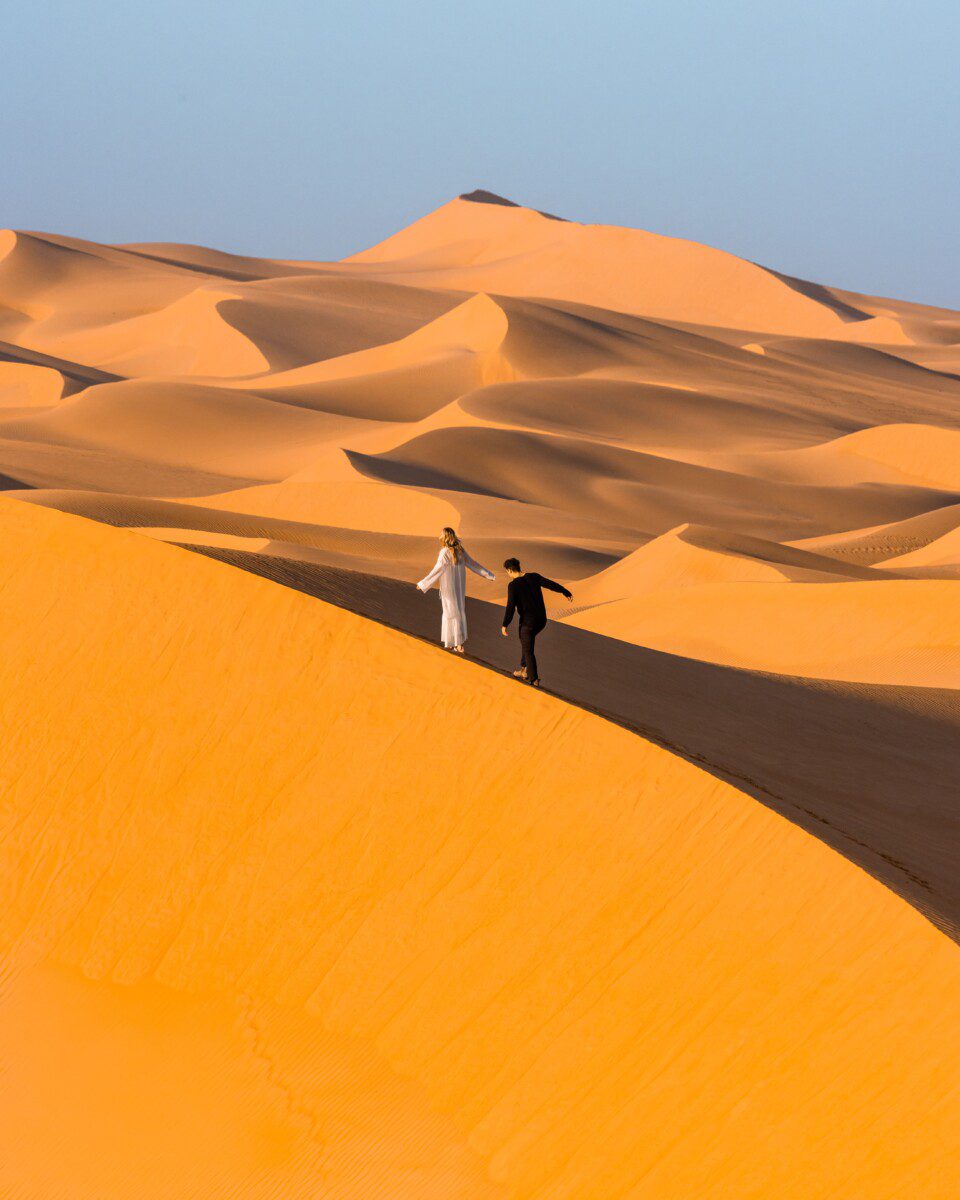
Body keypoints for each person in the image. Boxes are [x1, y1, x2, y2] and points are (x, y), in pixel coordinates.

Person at [417, 527, 495, 653]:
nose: (439, 537)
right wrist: (489, 575)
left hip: (449, 587)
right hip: (459, 588)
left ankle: (453, 643)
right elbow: (473, 564)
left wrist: (423, 584)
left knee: (450, 612)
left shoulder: (445, 552)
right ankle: (457, 643)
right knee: (458, 611)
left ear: (445, 537)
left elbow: (438, 569)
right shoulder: (460, 550)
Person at [500, 558, 572, 686]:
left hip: (529, 622)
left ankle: (533, 678)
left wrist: (505, 624)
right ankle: (523, 669)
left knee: (528, 648)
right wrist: (564, 591)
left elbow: (510, 606)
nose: (508, 574)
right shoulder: (534, 576)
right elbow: (550, 584)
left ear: (510, 570)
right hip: (541, 620)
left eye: (507, 572)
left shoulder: (513, 585)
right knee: (525, 640)